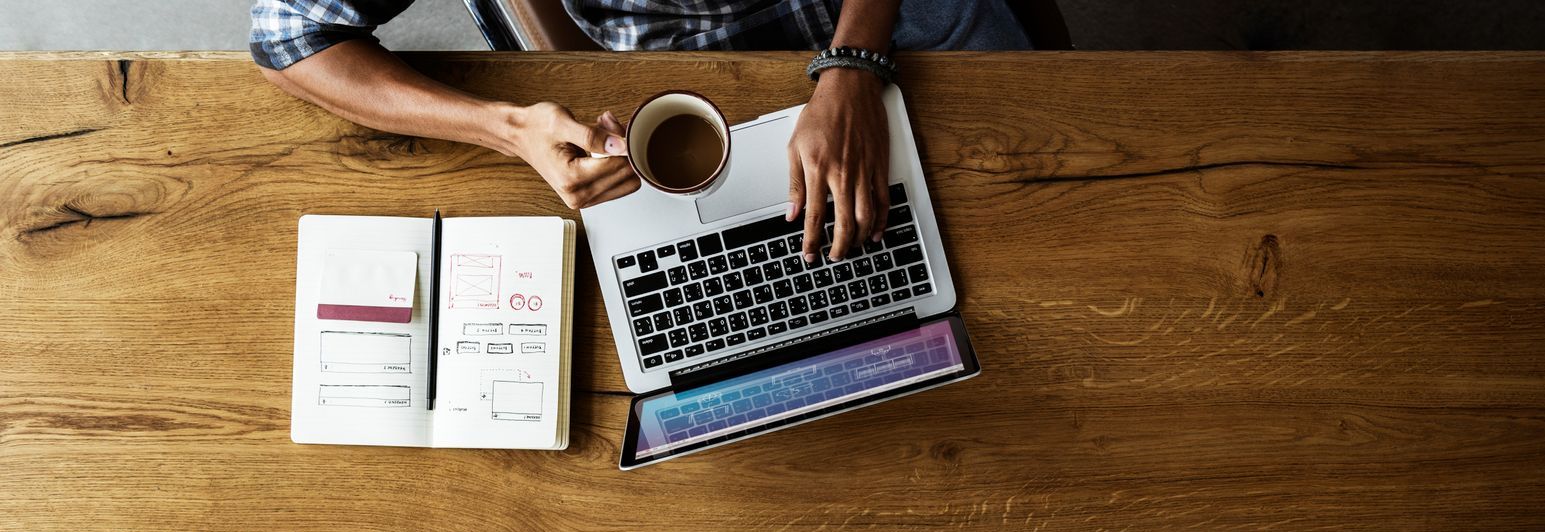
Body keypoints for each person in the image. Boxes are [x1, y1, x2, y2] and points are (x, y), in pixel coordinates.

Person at [248, 0, 1031, 261]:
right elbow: (290, 35)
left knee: (1021, 211)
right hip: (653, 62)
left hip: (878, 19)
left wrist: (856, 58)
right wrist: (510, 129)